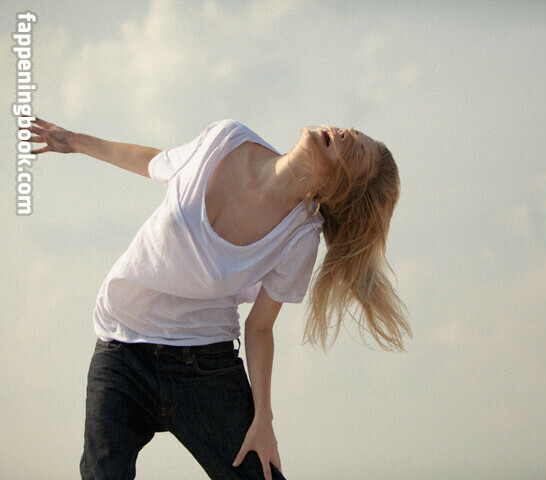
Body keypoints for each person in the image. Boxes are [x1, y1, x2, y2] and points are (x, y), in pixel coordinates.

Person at [28, 116, 411, 479]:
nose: (345, 134)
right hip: (121, 348)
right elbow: (154, 162)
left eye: (355, 150)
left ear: (341, 189)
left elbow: (260, 327)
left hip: (202, 365)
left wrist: (263, 419)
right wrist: (75, 141)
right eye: (353, 133)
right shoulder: (226, 138)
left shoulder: (300, 236)